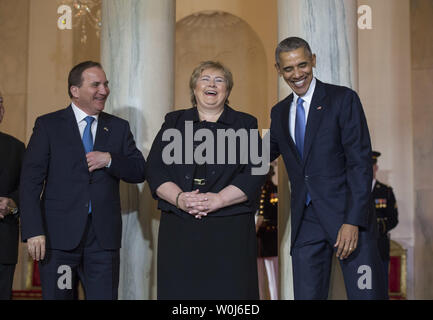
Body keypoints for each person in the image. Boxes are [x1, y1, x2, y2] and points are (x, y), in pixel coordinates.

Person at [269, 37, 387, 299]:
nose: (297, 74)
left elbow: (360, 163)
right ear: (278, 69)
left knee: (366, 295)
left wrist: (352, 221)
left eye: (302, 64)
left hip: (348, 218)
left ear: (313, 60)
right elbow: (256, 156)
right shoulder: (278, 113)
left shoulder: (342, 99)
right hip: (306, 223)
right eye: (288, 68)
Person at [19, 61, 146, 300]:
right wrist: (34, 230)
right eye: (96, 84)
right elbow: (30, 183)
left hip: (102, 243)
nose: (104, 90)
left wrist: (109, 159)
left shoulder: (118, 128)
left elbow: (139, 169)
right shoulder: (48, 126)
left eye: (106, 84)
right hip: (59, 242)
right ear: (75, 91)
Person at [146, 61, 265, 299]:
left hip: (230, 229)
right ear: (194, 87)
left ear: (228, 90)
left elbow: (256, 171)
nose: (212, 84)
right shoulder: (174, 122)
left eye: (219, 80)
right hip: (180, 228)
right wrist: (180, 199)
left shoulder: (246, 123)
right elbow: (155, 168)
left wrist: (219, 199)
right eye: (205, 79)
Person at [0, 90, 25, 299]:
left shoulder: (16, 148)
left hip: (3, 244)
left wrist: (12, 204)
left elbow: (27, 189)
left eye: (0, 102)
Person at [371, 150, 399, 298]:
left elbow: (394, 219)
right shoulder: (356, 190)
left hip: (380, 245)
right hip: (361, 247)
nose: (370, 168)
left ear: (376, 167)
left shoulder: (386, 191)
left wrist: (379, 226)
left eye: (372, 165)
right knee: (364, 288)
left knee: (381, 288)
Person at [256, 160, 279, 300]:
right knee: (259, 279)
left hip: (269, 239)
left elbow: (270, 214)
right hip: (259, 241)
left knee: (273, 279)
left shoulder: (273, 190)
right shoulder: (258, 192)